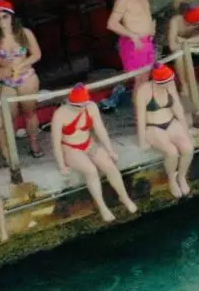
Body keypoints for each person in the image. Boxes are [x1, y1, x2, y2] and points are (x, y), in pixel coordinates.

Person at [52, 85, 137, 224]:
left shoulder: (91, 107)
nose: (82, 108)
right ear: (71, 103)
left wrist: (110, 150)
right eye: (78, 106)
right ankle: (102, 207)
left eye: (84, 105)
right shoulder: (60, 114)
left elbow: (100, 130)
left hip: (89, 143)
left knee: (110, 165)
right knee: (91, 170)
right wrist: (62, 165)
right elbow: (55, 143)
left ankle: (124, 197)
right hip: (70, 148)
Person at [0, 0, 44, 161]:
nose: (1, 21)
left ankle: (34, 143)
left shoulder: (24, 33)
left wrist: (22, 64)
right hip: (5, 80)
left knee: (30, 112)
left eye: (5, 17)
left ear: (12, 16)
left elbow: (36, 54)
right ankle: (11, 149)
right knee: (9, 116)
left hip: (25, 76)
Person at [135, 63, 196, 200]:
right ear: (157, 82)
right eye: (167, 82)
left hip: (171, 122)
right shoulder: (144, 91)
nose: (170, 84)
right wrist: (142, 141)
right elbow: (141, 117)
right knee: (172, 152)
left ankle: (181, 176)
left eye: (170, 81)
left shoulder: (170, 85)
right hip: (153, 127)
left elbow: (178, 108)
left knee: (188, 148)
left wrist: (186, 131)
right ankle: (172, 180)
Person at [105, 0, 159, 78]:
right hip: (134, 44)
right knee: (140, 79)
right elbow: (111, 24)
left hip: (147, 41)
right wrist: (133, 36)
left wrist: (151, 27)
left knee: (146, 78)